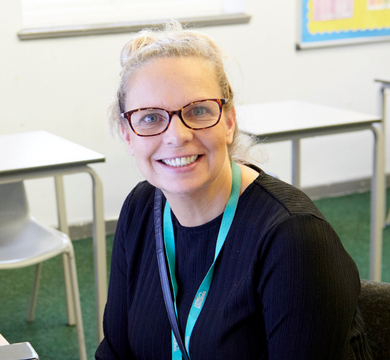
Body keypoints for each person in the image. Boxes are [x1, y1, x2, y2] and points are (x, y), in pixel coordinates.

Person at [96, 21, 371, 360]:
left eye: (198, 111)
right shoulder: (141, 208)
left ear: (228, 122)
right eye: (150, 117)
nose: (177, 135)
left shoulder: (294, 237)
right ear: (127, 134)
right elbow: (115, 352)